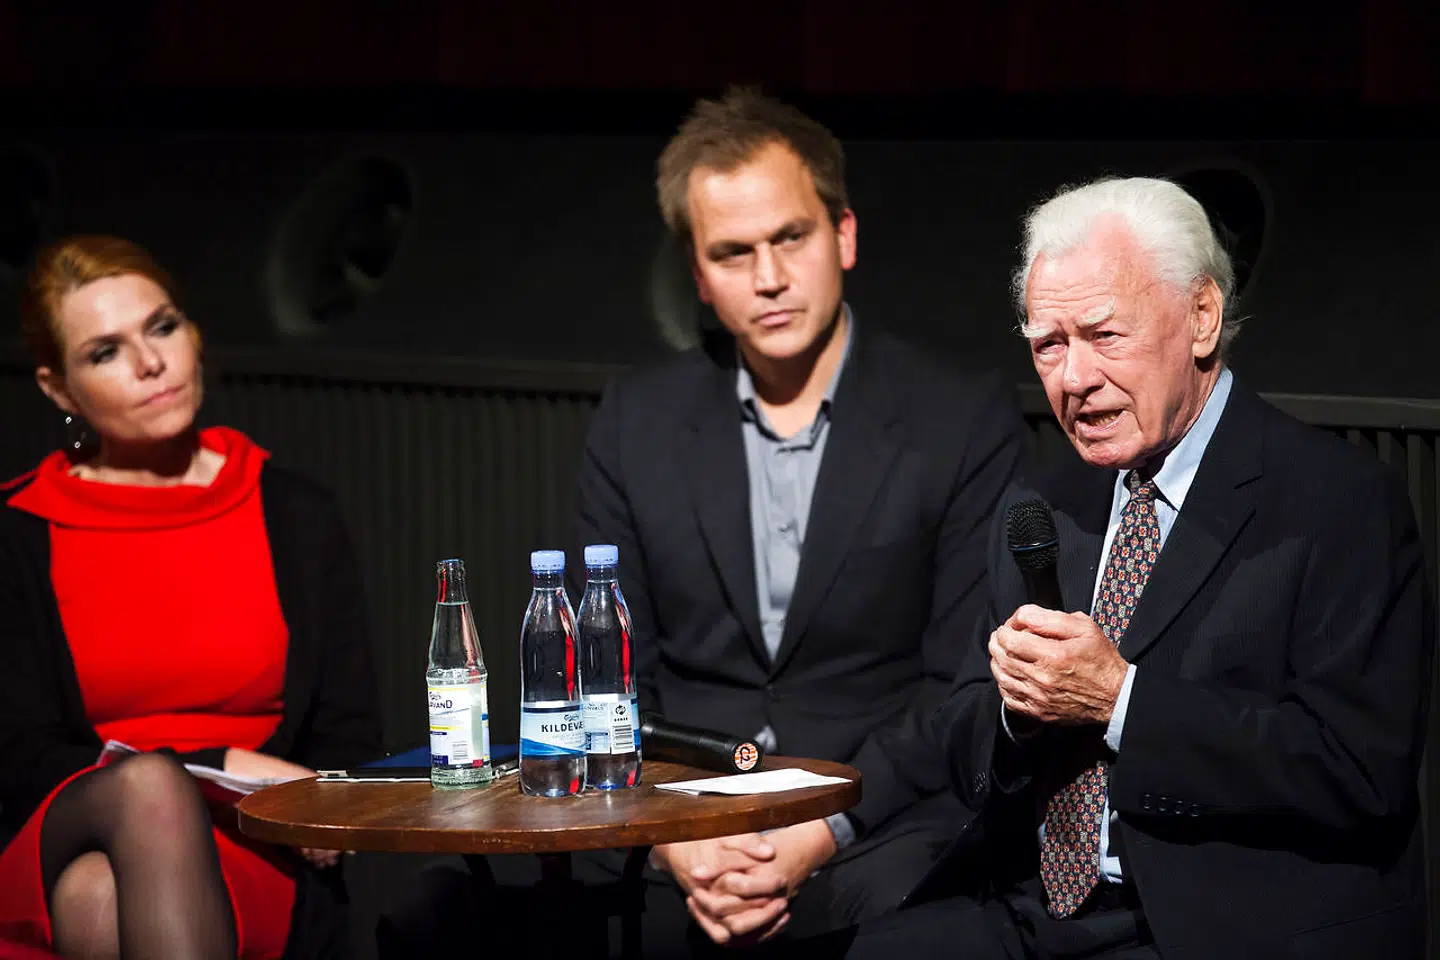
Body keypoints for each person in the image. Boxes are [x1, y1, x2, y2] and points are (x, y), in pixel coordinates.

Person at [838, 177, 1434, 958]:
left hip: (1226, 918)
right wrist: (1018, 710)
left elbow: (1357, 772)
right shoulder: (1043, 504)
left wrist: (1120, 701)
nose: (1073, 379)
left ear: (1202, 317)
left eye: (1104, 335)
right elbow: (965, 732)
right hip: (1037, 903)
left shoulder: (1339, 503)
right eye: (1048, 344)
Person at [561, 87, 1025, 949]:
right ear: (698, 278)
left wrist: (816, 834)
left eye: (790, 238)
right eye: (733, 254)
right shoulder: (636, 422)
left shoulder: (958, 418)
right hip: (678, 823)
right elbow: (607, 675)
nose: (768, 278)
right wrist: (670, 836)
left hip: (875, 823)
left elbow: (961, 685)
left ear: (843, 237)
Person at [0, 235, 384, 959]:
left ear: (193, 333)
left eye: (162, 327)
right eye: (105, 353)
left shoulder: (291, 511)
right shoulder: (21, 532)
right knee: (145, 792)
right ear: (58, 389)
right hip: (67, 822)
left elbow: (348, 740)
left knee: (98, 901)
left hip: (249, 840)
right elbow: (17, 755)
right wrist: (219, 763)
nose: (150, 365)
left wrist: (285, 793)